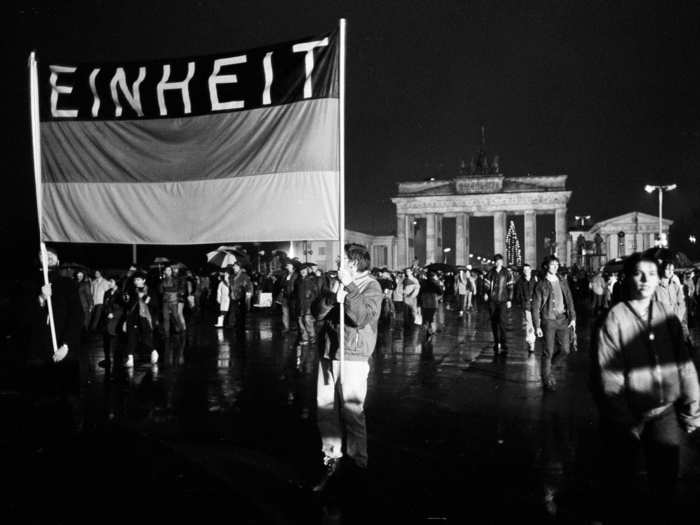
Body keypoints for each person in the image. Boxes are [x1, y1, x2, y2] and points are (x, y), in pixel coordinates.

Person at [594, 252, 700, 520]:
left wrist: (693, 409)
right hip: (628, 415)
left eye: (651, 274)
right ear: (629, 278)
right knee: (622, 488)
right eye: (638, 274)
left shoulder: (667, 315)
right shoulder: (614, 318)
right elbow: (609, 375)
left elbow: (684, 364)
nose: (645, 280)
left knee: (665, 486)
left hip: (662, 412)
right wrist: (622, 421)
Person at [312, 243, 383, 492]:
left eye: (341, 259)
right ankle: (331, 455)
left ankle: (357, 460)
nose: (337, 262)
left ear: (353, 263)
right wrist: (332, 296)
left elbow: (363, 317)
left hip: (352, 355)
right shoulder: (335, 282)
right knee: (325, 408)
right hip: (329, 353)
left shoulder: (372, 286)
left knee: (352, 410)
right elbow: (317, 313)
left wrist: (350, 287)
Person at [17, 248, 84, 433]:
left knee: (68, 400)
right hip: (38, 351)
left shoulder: (67, 284)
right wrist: (40, 298)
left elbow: (77, 317)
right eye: (43, 256)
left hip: (63, 350)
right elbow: (22, 318)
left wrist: (66, 346)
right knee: (41, 400)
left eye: (51, 256)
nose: (48, 258)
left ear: (58, 260)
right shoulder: (29, 284)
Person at [532, 255, 576, 392]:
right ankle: (547, 380)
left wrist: (573, 318)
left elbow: (569, 299)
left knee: (565, 350)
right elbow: (535, 306)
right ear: (546, 266)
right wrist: (537, 326)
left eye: (557, 264)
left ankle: (548, 369)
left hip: (563, 319)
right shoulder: (541, 284)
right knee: (548, 351)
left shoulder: (562, 280)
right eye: (552, 265)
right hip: (548, 320)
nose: (556, 267)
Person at [124, 271, 156, 367]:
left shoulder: (150, 290)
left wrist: (144, 296)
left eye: (138, 279)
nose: (136, 281)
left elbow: (154, 304)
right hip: (132, 316)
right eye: (135, 280)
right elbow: (128, 304)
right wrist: (125, 298)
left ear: (144, 280)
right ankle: (130, 358)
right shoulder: (131, 290)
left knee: (145, 338)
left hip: (144, 317)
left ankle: (154, 351)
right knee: (131, 337)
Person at [483, 254, 514, 355]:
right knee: (494, 322)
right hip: (492, 300)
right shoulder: (490, 272)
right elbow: (486, 284)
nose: (498, 262)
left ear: (502, 262)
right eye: (496, 261)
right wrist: (486, 293)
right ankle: (496, 342)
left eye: (499, 261)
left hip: (503, 300)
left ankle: (503, 342)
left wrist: (509, 299)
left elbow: (510, 286)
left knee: (502, 321)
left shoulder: (507, 272)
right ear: (494, 262)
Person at [655, 261, 689, 340]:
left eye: (672, 269)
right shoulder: (656, 288)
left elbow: (682, 304)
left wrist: (679, 319)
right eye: (668, 269)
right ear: (662, 269)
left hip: (677, 325)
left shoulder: (675, 286)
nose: (670, 271)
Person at [514, 263, 538, 354]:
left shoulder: (536, 280)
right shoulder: (520, 281)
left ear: (530, 270)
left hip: (536, 305)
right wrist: (521, 302)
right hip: (526, 305)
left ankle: (533, 339)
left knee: (536, 323)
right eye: (524, 270)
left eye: (528, 270)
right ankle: (531, 343)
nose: (526, 271)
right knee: (529, 323)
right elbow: (517, 294)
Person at [295, 263, 320, 345]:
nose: (303, 271)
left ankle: (312, 337)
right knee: (300, 321)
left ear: (307, 271)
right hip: (300, 304)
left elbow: (316, 292)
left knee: (307, 320)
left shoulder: (312, 279)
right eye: (301, 270)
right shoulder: (298, 281)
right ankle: (305, 338)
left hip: (308, 305)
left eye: (304, 270)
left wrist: (311, 299)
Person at [159, 265, 185, 337]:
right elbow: (160, 291)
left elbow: (175, 289)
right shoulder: (162, 280)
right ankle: (167, 333)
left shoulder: (175, 279)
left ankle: (179, 328)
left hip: (173, 301)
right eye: (166, 270)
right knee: (165, 318)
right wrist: (161, 283)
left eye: (169, 270)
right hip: (165, 301)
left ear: (171, 271)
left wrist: (165, 290)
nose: (168, 272)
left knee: (175, 316)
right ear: (164, 271)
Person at [419, 270, 444, 341]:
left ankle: (427, 329)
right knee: (431, 317)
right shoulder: (435, 284)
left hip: (425, 302)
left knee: (426, 316)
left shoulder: (423, 284)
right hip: (433, 303)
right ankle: (429, 329)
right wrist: (437, 298)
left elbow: (420, 293)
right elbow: (440, 292)